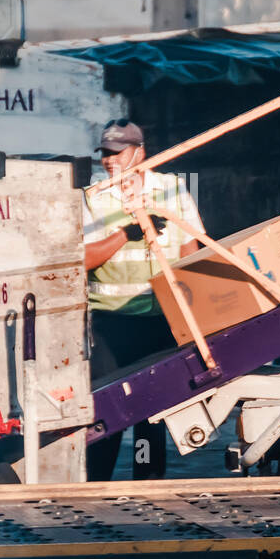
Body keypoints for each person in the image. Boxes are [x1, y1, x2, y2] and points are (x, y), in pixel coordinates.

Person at [83, 120, 204, 480]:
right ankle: (95, 491)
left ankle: (148, 490)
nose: (108, 160)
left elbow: (190, 248)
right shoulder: (91, 196)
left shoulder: (171, 188)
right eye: (104, 153)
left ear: (140, 151)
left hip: (160, 322)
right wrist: (126, 234)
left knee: (153, 413)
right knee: (107, 412)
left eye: (116, 152)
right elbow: (83, 259)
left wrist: (190, 309)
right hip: (111, 326)